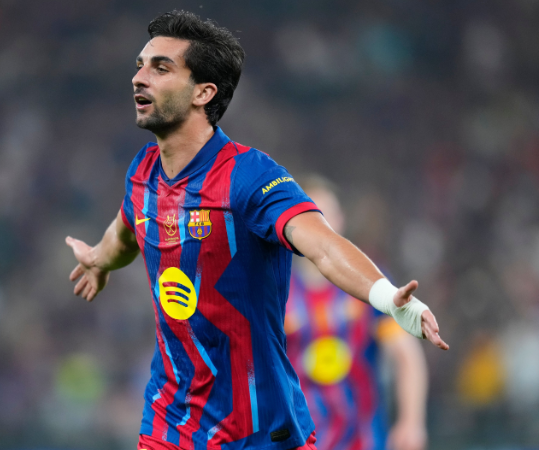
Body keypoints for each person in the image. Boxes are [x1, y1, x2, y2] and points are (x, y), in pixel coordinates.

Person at [65, 10, 448, 450]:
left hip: (260, 431)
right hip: (173, 422)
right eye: (140, 65)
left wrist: (386, 297)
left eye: (161, 68)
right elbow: (126, 231)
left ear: (203, 92)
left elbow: (323, 246)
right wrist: (99, 259)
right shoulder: (143, 172)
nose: (139, 77)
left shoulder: (249, 176)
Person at [285, 175, 428, 450]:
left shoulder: (370, 282)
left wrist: (412, 422)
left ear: (340, 221)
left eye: (325, 216)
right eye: (308, 217)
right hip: (300, 441)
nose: (319, 226)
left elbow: (406, 355)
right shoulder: (275, 290)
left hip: (363, 440)